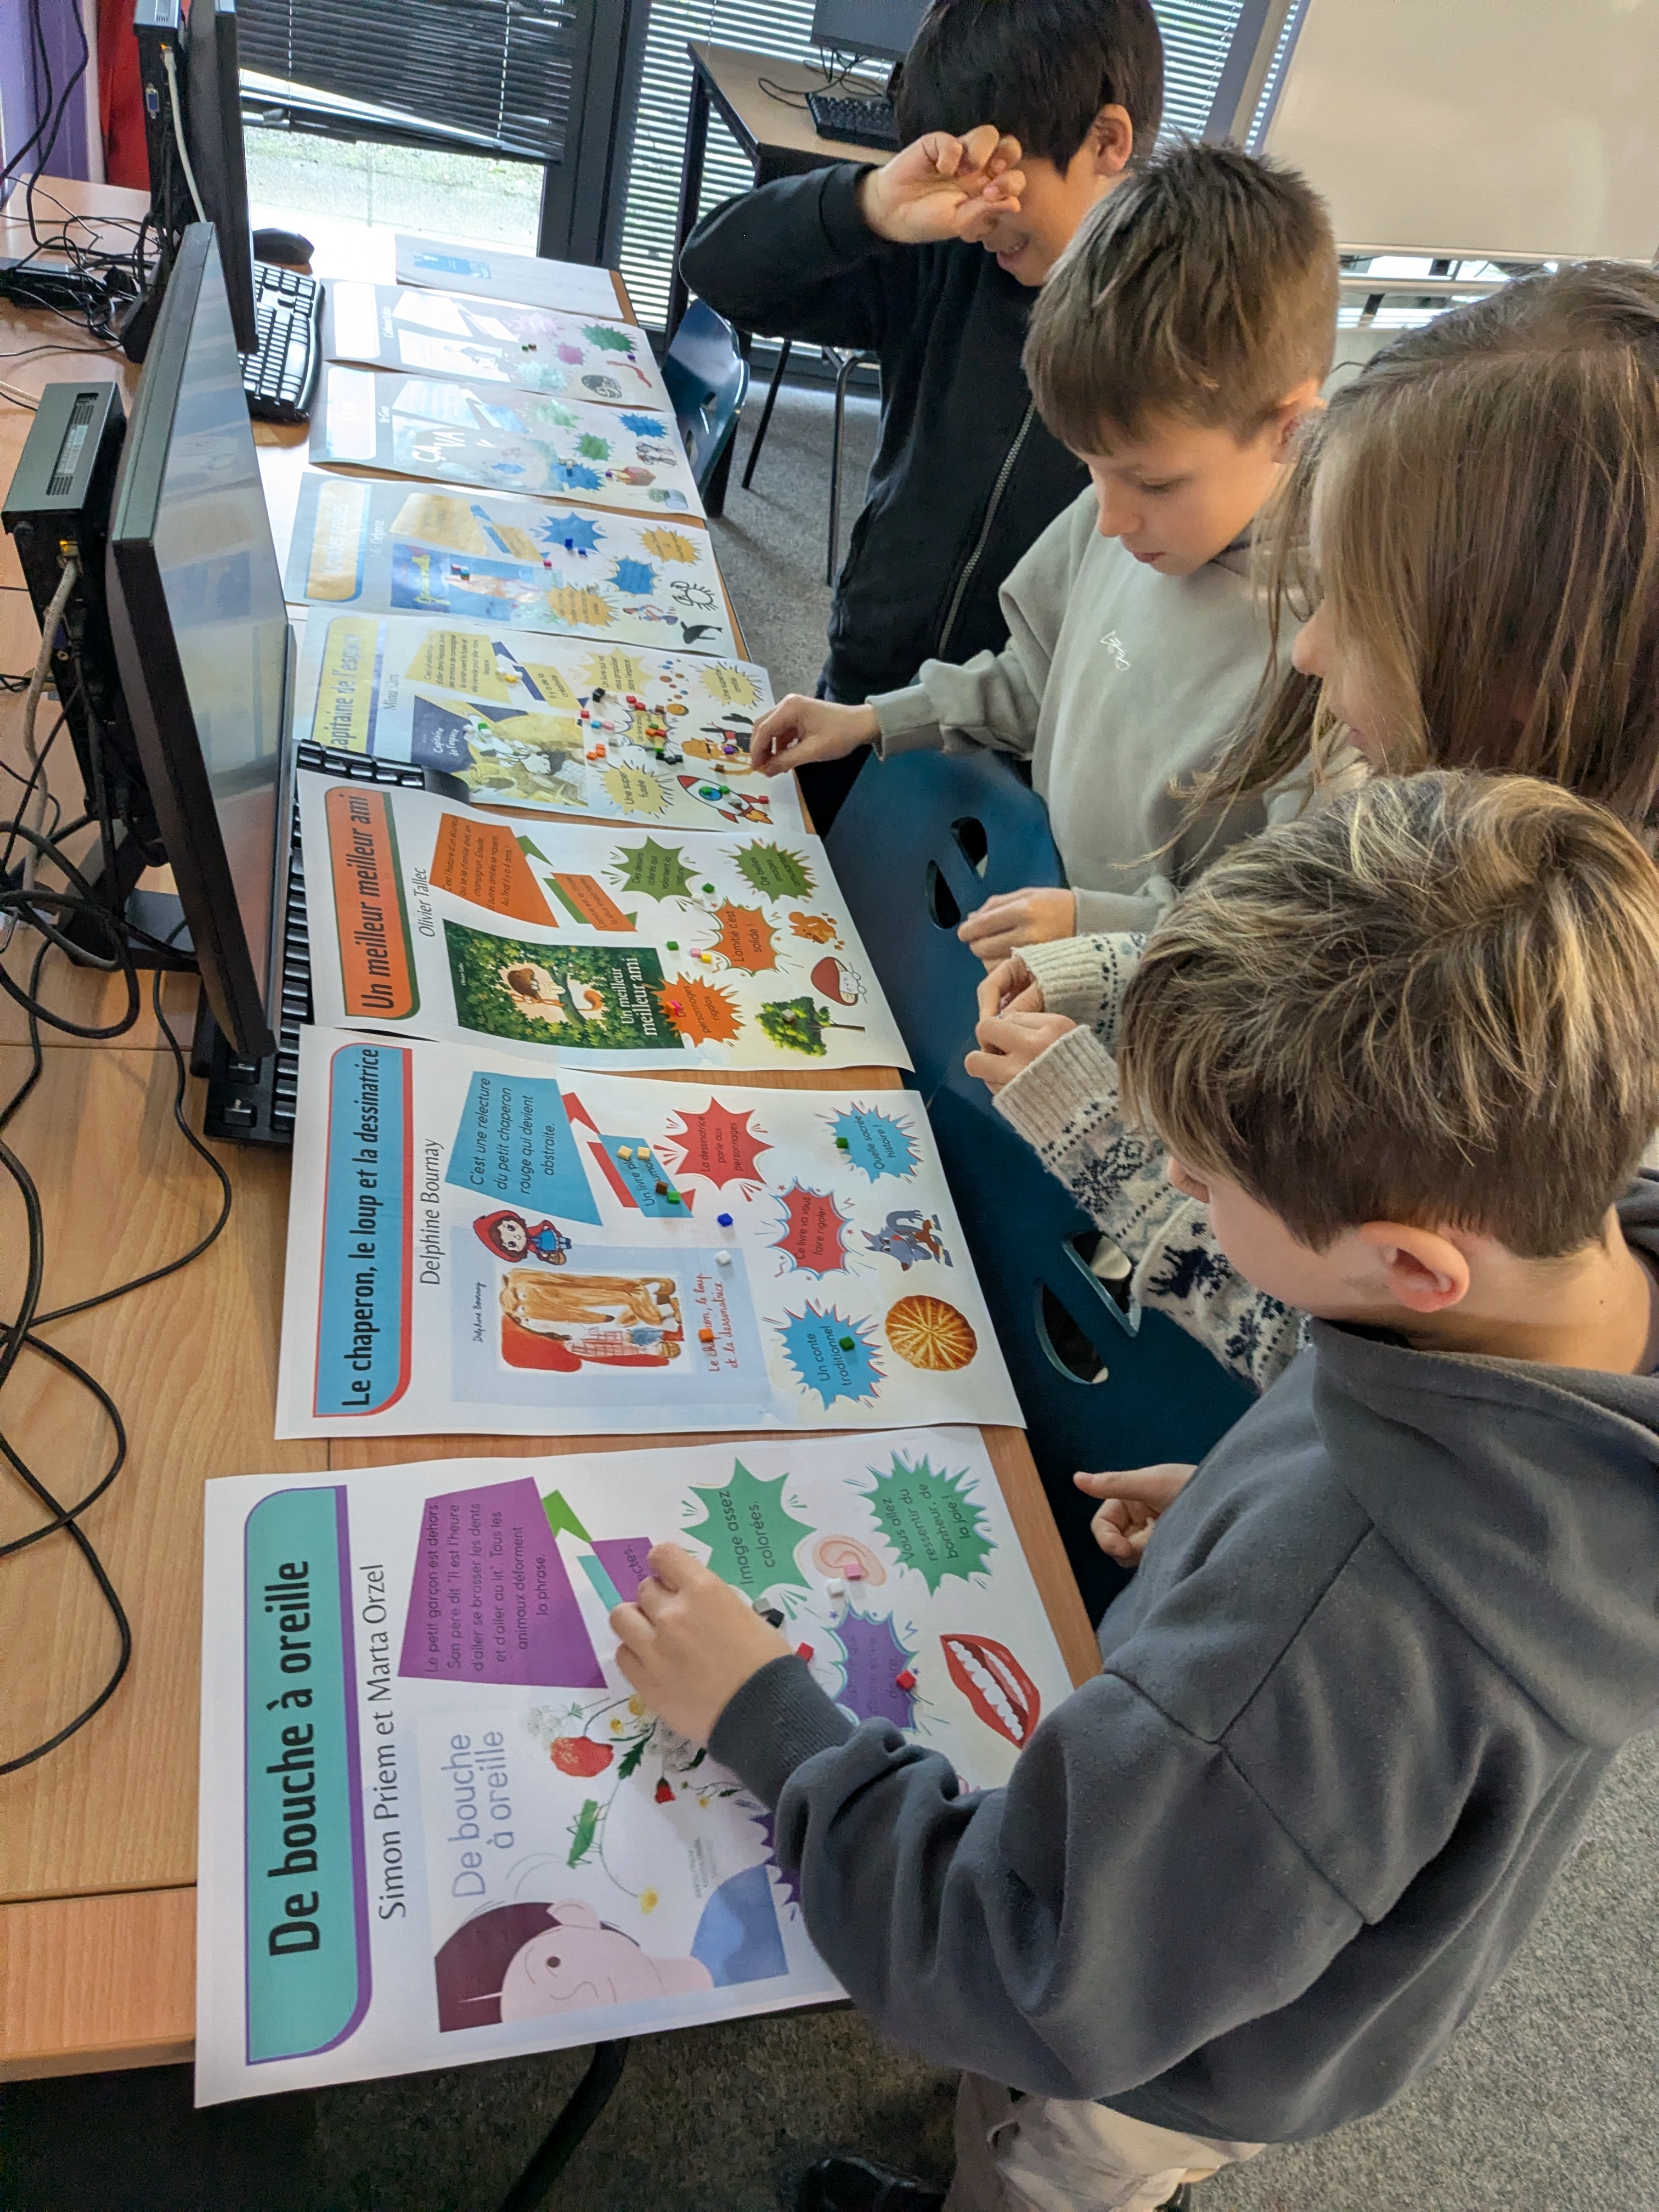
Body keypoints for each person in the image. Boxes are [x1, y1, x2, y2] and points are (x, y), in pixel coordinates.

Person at [611, 770, 1659, 2212]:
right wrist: (1243, 1499)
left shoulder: (1336, 1629)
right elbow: (1387, 1466)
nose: (1172, 1179)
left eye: (1207, 1182)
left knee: (1035, 2164)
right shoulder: (1568, 1292)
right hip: (1275, 1913)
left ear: (1414, 1266)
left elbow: (1021, 1965)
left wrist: (765, 1721)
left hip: (1152, 2057)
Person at [967, 261, 1659, 1381]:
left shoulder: (1584, 1033)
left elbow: (1342, 1337)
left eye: (1359, 610)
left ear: (1527, 675)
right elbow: (1324, 995)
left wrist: (1102, 1134)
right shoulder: (1491, 856)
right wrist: (1122, 969)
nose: (1306, 648)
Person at [751, 141, 1344, 945]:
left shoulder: (1330, 658)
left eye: (1153, 484)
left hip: (1139, 991)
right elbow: (1036, 680)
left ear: (1290, 429)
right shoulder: (1122, 516)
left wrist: (1100, 929)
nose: (1111, 519)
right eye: (1092, 470)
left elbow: (1282, 940)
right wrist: (872, 719)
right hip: (1035, 926)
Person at [680, 0, 1164, 830]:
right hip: (865, 690)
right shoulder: (950, 253)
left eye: (996, 175)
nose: (974, 211)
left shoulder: (1177, 326)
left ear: (1106, 143)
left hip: (1019, 750)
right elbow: (717, 268)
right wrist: (868, 205)